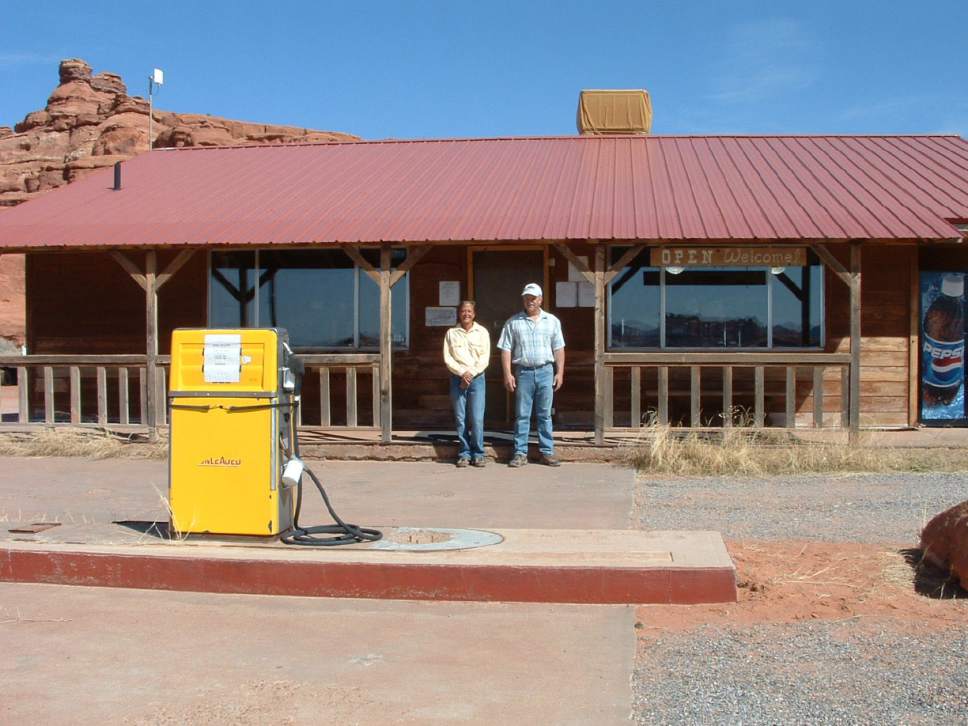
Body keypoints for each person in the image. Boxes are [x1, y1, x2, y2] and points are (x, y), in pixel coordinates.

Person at [497, 283, 565, 467]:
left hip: (545, 371)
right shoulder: (513, 322)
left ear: (540, 299)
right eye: (527, 298)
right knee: (522, 414)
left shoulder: (552, 321)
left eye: (533, 298)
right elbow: (506, 349)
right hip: (524, 372)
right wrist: (507, 373)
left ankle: (547, 452)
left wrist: (560, 372)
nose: (530, 301)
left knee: (545, 414)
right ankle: (520, 453)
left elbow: (559, 348)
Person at [443, 300, 490, 467]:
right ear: (459, 313)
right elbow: (448, 358)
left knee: (477, 418)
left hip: (477, 379)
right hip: (458, 379)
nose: (466, 314)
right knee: (460, 418)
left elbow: (485, 357)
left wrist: (471, 373)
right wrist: (462, 373)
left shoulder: (482, 332)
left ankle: (478, 453)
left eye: (469, 311)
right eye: (463, 311)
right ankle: (464, 453)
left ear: (474, 314)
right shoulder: (451, 333)